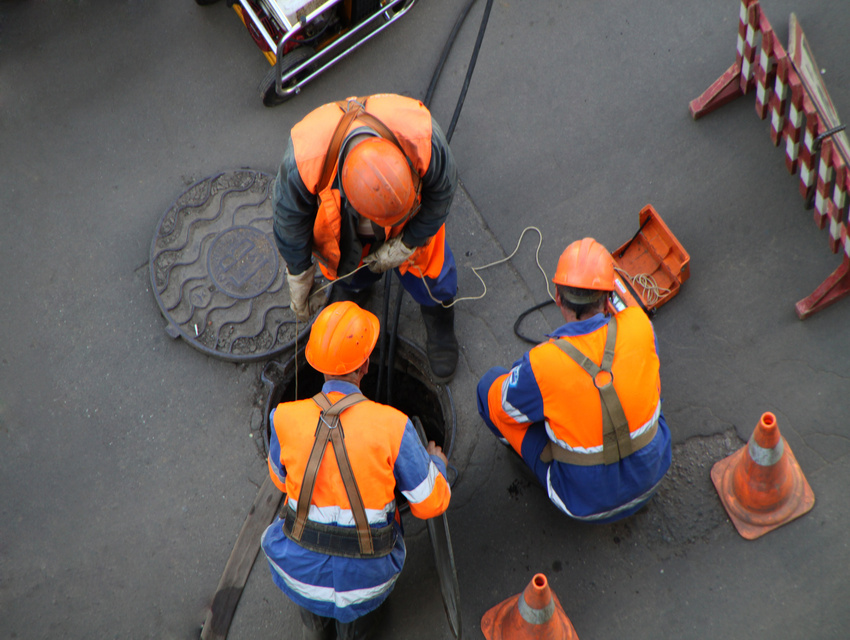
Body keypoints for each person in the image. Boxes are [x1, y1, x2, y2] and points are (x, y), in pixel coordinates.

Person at [261, 301, 452, 640]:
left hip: (298, 573)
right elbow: (431, 504)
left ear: (315, 363)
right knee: (358, 617)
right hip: (369, 581)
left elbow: (279, 479)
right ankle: (355, 631)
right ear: (365, 366)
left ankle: (317, 629)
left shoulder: (284, 417)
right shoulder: (393, 426)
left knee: (314, 602)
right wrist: (436, 463)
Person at [476, 238, 672, 523]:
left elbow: (501, 407)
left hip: (585, 503)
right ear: (608, 299)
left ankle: (520, 453)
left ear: (558, 296)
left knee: (489, 386)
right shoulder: (639, 324)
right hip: (653, 474)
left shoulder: (542, 364)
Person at [273, 93, 459, 381]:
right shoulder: (305, 158)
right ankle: (356, 287)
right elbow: (289, 222)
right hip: (345, 225)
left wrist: (409, 240)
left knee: (430, 269)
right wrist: (299, 273)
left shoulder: (422, 137)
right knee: (348, 263)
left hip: (412, 219)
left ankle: (438, 314)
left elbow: (442, 194)